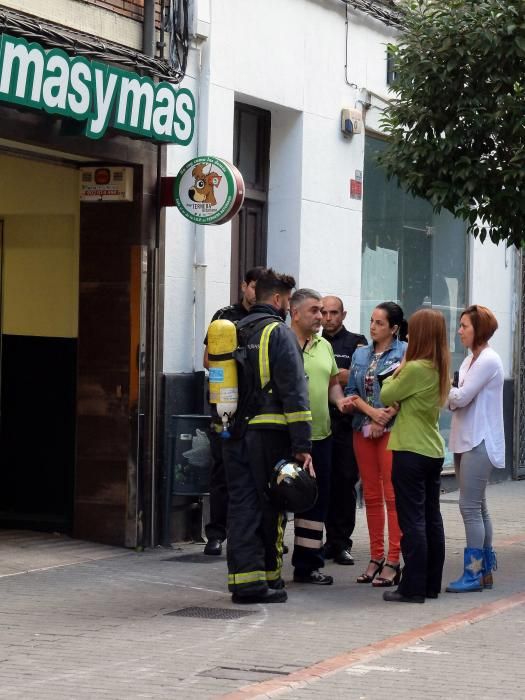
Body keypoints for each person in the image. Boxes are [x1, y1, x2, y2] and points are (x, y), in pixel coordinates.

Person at [223, 269, 313, 604]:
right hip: (270, 434)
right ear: (277, 299)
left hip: (233, 433)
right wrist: (303, 444)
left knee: (242, 505)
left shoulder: (234, 330)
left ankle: (244, 581)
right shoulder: (279, 333)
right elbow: (295, 391)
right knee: (272, 505)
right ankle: (267, 581)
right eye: (288, 301)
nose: (289, 307)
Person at [380, 308, 450, 603]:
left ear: (418, 334)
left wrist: (394, 374)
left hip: (410, 449)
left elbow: (385, 395)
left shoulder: (416, 367)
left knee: (412, 521)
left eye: (411, 330)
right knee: (431, 517)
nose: (406, 334)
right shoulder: (439, 366)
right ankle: (431, 584)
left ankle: (413, 587)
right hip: (433, 450)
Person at [202, 266, 266, 555]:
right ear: (244, 286)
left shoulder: (270, 320)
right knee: (222, 470)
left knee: (258, 472)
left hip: (257, 406)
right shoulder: (224, 317)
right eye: (254, 286)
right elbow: (208, 360)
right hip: (226, 405)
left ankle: (259, 533)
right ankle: (216, 533)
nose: (257, 292)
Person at [345, 302, 407, 587]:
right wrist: (371, 414)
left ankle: (394, 559)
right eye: (371, 321)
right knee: (369, 495)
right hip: (362, 428)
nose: (373, 327)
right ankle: (375, 556)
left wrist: (384, 418)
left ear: (394, 328)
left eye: (380, 323)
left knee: (392, 495)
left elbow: (406, 392)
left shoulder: (404, 352)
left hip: (392, 430)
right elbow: (350, 392)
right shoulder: (360, 353)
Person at [445, 305, 504, 593]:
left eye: (464, 325)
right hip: (466, 438)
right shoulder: (470, 361)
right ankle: (484, 572)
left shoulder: (488, 360)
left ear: (478, 329)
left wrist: (443, 387)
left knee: (469, 507)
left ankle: (473, 574)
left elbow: (462, 396)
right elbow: (455, 399)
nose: (459, 330)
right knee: (478, 506)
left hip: (479, 440)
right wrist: (452, 394)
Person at [289, 289, 346, 585]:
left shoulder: (324, 346)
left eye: (323, 311)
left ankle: (307, 565)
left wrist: (340, 401)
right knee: (279, 497)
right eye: (314, 311)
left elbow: (333, 382)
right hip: (286, 437)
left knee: (316, 502)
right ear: (294, 313)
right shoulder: (281, 343)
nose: (321, 317)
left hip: (321, 438)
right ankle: (267, 562)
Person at [321, 295, 367, 566]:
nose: (328, 318)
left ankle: (341, 543)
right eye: (324, 313)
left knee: (344, 483)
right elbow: (340, 376)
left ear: (344, 314)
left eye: (334, 313)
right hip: (319, 422)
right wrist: (339, 373)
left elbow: (356, 377)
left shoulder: (356, 343)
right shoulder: (314, 341)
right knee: (321, 486)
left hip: (346, 425)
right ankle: (321, 541)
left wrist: (329, 374)